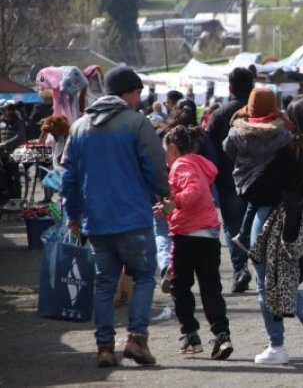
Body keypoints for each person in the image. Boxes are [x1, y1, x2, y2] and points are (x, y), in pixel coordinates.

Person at [61, 66, 170, 367]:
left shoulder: (79, 127)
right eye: (137, 93)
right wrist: (163, 192)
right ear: (126, 93)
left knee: (105, 283)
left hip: (95, 221)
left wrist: (73, 214)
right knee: (144, 276)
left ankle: (105, 347)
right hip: (133, 218)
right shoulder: (137, 123)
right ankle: (136, 339)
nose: (139, 99)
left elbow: (69, 177)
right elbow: (155, 164)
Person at [247, 95, 303, 364]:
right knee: (283, 279)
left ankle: (277, 346)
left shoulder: (291, 149)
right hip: (297, 220)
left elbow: (259, 188)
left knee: (266, 283)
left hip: (271, 217)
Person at [153, 126, 233, 360]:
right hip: (208, 235)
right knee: (211, 288)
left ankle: (190, 335)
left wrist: (174, 203)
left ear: (172, 148)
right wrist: (168, 208)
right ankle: (222, 336)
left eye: (164, 151)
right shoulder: (199, 163)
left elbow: (194, 190)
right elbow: (197, 190)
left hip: (187, 236)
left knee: (180, 288)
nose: (164, 157)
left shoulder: (181, 164)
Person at [222, 87, 294, 258]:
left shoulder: (237, 132)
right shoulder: (282, 133)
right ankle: (256, 244)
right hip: (272, 184)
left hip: (245, 183)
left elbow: (227, 149)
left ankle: (244, 235)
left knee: (254, 203)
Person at [206, 67, 253, 293]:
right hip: (258, 179)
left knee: (233, 226)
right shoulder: (259, 111)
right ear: (252, 86)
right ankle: (263, 269)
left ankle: (240, 270)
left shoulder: (219, 115)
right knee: (259, 224)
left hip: (227, 181)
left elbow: (208, 149)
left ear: (230, 88)